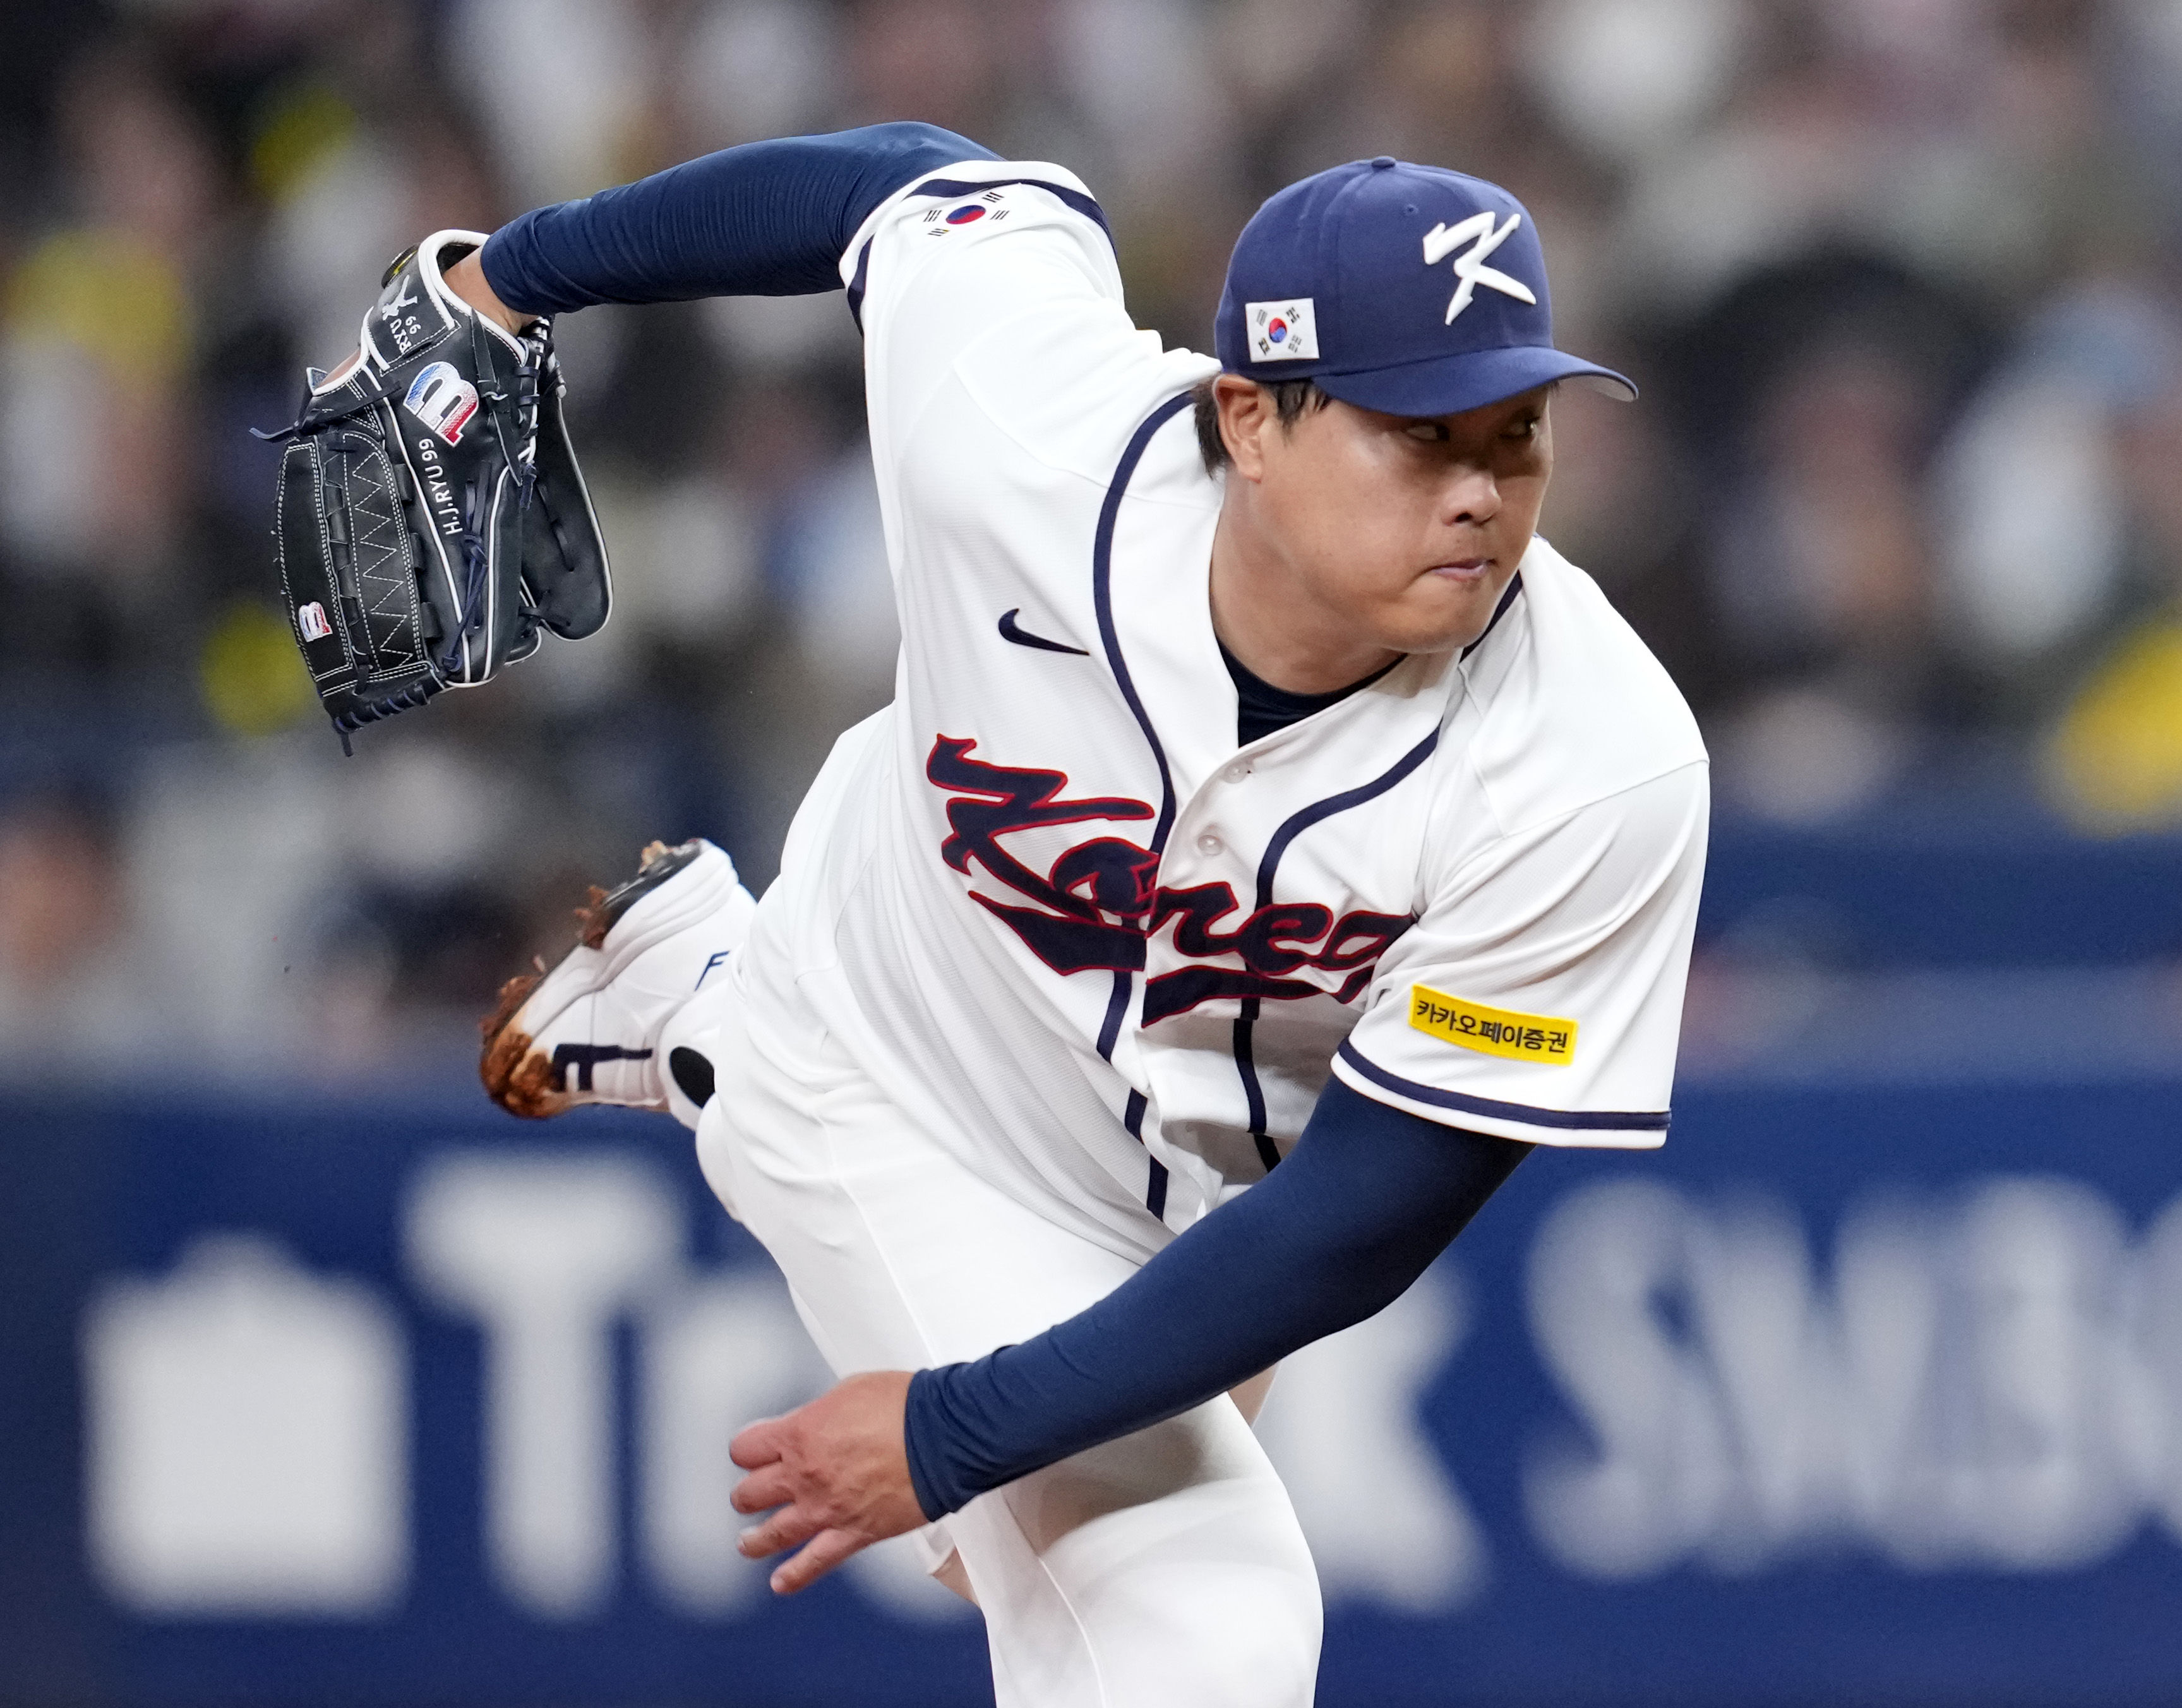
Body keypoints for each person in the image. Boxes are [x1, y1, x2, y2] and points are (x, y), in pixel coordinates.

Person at [469, 123, 1707, 1707]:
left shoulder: (1594, 764)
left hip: (1187, 1207)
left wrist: (953, 1428)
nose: (1482, 494)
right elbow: (902, 180)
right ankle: (746, 1034)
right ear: (1248, 418)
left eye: (1516, 433)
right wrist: (504, 276)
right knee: (1203, 1629)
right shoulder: (1022, 430)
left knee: (1089, 1601)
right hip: (888, 1062)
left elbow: (1364, 1217)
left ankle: (699, 999)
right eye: (1421, 435)